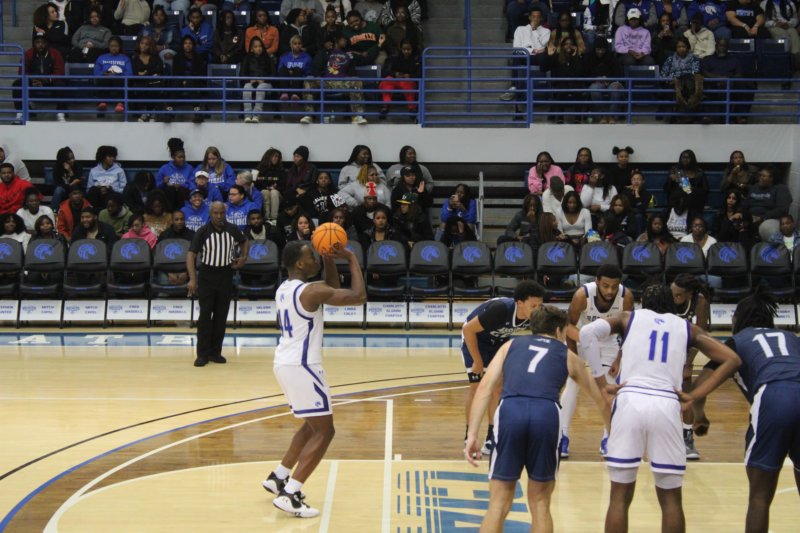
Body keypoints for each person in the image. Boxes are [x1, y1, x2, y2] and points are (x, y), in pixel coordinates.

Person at [578, 284, 740, 533]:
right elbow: (732, 359)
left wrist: (601, 383)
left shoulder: (627, 318)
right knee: (671, 499)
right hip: (666, 403)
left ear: (643, 302)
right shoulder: (687, 328)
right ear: (672, 305)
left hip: (630, 400)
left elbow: (587, 333)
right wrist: (694, 395)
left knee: (619, 496)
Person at [464, 306, 611, 533]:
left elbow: (484, 388)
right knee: (540, 503)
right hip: (546, 413)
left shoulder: (509, 346)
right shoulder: (569, 356)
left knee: (498, 503)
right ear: (559, 331)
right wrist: (614, 435)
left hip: (511, 411)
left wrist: (472, 434)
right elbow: (601, 400)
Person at [264, 240, 366, 518]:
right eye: (312, 255)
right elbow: (358, 296)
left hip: (284, 363)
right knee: (325, 431)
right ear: (299, 263)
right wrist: (351, 259)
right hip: (303, 366)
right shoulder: (310, 291)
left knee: (312, 425)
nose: (316, 259)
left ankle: (279, 476)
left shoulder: (285, 288)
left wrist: (329, 258)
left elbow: (330, 287)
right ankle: (291, 493)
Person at [691, 288, 800, 533]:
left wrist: (700, 417)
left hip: (774, 395)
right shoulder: (792, 337)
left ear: (737, 319)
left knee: (760, 497)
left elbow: (701, 385)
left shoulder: (737, 341)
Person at [460, 282, 545, 455]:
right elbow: (468, 330)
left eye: (540, 305)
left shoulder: (536, 315)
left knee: (498, 388)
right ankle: (469, 436)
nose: (537, 310)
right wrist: (477, 360)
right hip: (475, 339)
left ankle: (491, 436)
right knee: (477, 388)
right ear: (520, 303)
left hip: (499, 341)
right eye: (533, 306)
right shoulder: (500, 310)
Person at [560, 264, 634, 458]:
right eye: (605, 286)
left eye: (614, 287)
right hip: (581, 337)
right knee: (572, 383)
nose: (610, 291)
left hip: (609, 341)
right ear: (597, 282)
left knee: (610, 385)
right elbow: (568, 326)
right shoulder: (582, 295)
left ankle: (609, 436)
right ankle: (562, 435)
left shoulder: (626, 296)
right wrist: (573, 358)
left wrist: (619, 358)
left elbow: (628, 331)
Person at [187, 202, 249, 367]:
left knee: (221, 316)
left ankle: (215, 352)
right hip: (207, 276)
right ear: (210, 213)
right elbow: (191, 255)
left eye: (222, 213)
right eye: (216, 213)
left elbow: (244, 242)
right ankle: (202, 354)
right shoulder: (202, 231)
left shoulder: (232, 229)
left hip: (225, 275)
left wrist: (243, 258)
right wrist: (193, 279)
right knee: (205, 316)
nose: (219, 216)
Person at [670, 273, 711, 461]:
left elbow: (700, 336)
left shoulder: (700, 302)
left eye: (679, 295)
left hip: (687, 350)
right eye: (673, 293)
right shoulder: (667, 298)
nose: (674, 297)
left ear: (690, 294)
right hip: (665, 349)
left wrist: (688, 362)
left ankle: (687, 438)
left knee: (686, 391)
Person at [300, 35, 368, 125]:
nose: (345, 41)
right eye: (343, 39)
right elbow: (315, 67)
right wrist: (317, 77)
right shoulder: (326, 52)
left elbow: (356, 67)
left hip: (342, 82)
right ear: (337, 41)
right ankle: (309, 115)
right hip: (325, 82)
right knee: (308, 80)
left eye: (346, 40)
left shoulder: (349, 54)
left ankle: (357, 116)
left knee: (357, 81)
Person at [13, 33, 66, 124]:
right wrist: (32, 79)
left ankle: (60, 113)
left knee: (61, 85)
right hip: (33, 81)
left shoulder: (55, 53)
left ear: (46, 43)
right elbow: (22, 71)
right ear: (34, 43)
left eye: (43, 42)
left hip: (50, 82)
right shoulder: (28, 53)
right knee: (17, 84)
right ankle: (20, 113)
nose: (40, 45)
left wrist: (46, 80)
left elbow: (60, 71)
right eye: (37, 42)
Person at [500, 8, 550, 101]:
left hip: (539, 58)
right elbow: (516, 47)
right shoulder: (520, 29)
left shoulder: (546, 31)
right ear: (529, 17)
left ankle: (545, 89)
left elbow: (542, 46)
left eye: (538, 17)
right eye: (533, 16)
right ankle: (514, 87)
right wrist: (532, 50)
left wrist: (534, 30)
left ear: (541, 18)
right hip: (524, 56)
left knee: (545, 55)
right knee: (516, 54)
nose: (535, 19)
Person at [661, 36, 703, 122]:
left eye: (683, 46)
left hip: (689, 83)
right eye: (679, 47)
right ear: (676, 48)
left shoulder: (694, 59)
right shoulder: (670, 59)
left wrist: (679, 76)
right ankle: (677, 116)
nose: (681, 49)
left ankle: (688, 116)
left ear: (688, 47)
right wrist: (674, 79)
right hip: (674, 83)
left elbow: (695, 72)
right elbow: (664, 74)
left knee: (688, 84)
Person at [168, 35, 208, 124]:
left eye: (190, 43)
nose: (188, 45)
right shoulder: (177, 57)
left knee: (191, 84)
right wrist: (183, 80)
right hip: (180, 81)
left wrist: (188, 80)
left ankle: (197, 114)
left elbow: (201, 73)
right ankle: (169, 112)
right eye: (185, 43)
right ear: (182, 45)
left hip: (195, 81)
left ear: (193, 45)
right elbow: (175, 72)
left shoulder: (198, 57)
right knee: (175, 84)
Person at [584, 39, 625, 124]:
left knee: (616, 89)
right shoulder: (589, 57)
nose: (600, 52)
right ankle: (602, 115)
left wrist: (610, 79)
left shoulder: (612, 57)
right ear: (594, 49)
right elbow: (585, 74)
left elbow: (618, 73)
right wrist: (597, 78)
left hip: (611, 81)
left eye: (603, 49)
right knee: (594, 89)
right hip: (596, 82)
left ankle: (611, 115)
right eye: (598, 49)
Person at [378, 39, 420, 120]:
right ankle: (385, 107)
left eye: (408, 49)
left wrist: (410, 76)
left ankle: (412, 108)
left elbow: (419, 73)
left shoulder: (416, 59)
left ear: (412, 49)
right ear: (401, 49)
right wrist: (395, 74)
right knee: (387, 80)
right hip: (395, 79)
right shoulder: (393, 57)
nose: (406, 51)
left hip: (408, 81)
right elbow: (385, 72)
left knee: (408, 83)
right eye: (404, 49)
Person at [748, 167, 792, 241]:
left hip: (770, 218)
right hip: (751, 217)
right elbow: (746, 203)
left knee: (768, 229)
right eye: (760, 175)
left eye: (763, 176)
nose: (760, 178)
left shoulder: (781, 189)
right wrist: (740, 213)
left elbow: (782, 209)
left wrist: (762, 218)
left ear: (772, 178)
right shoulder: (754, 187)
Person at [93, 36, 133, 115]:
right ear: (108, 46)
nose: (114, 48)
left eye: (116, 46)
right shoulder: (101, 58)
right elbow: (96, 72)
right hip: (105, 79)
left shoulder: (125, 58)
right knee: (101, 80)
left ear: (120, 46)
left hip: (119, 80)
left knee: (121, 80)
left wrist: (118, 74)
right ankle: (102, 103)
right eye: (112, 46)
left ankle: (120, 103)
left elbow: (129, 73)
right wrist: (104, 73)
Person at [131, 35, 166, 123]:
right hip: (141, 82)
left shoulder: (155, 57)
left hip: (154, 82)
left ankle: (152, 112)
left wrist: (146, 73)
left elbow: (160, 68)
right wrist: (151, 73)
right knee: (141, 87)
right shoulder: (135, 58)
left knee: (154, 86)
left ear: (150, 46)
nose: (143, 45)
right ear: (139, 44)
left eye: (146, 44)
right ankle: (145, 112)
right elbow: (135, 73)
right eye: (142, 43)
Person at [240, 37, 274, 123]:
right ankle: (247, 116)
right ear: (251, 49)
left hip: (266, 84)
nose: (258, 48)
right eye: (256, 46)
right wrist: (249, 80)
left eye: (260, 46)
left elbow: (273, 75)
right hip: (251, 82)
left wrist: (264, 80)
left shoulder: (268, 59)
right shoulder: (246, 59)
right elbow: (242, 75)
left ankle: (256, 115)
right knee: (246, 88)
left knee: (260, 88)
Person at [665, 149, 708, 214]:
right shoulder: (675, 170)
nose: (685, 160)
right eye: (683, 157)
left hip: (694, 199)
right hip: (678, 200)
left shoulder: (699, 172)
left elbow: (705, 189)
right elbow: (667, 188)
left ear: (692, 159)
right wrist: (670, 179)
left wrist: (689, 188)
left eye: (688, 157)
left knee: (692, 193)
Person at [86, 146, 127, 212]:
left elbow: (124, 189)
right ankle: (95, 212)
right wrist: (98, 188)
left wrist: (112, 188)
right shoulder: (94, 171)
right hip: (97, 196)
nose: (112, 158)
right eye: (110, 156)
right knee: (94, 190)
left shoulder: (119, 170)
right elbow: (89, 190)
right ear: (103, 157)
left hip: (113, 195)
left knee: (108, 192)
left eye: (113, 157)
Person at [157, 138, 194, 210]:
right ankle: (169, 213)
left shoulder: (189, 168)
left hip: (183, 195)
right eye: (179, 157)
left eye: (183, 157)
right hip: (169, 197)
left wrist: (181, 185)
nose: (182, 159)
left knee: (180, 190)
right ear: (173, 157)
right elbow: (158, 186)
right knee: (170, 189)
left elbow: (192, 185)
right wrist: (164, 182)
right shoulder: (164, 168)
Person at [277, 35, 313, 102]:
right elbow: (280, 70)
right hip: (286, 81)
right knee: (283, 70)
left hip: (300, 82)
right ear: (291, 45)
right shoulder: (284, 57)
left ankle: (295, 94)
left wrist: (295, 72)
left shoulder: (307, 57)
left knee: (297, 69)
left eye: (299, 43)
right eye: (295, 44)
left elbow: (308, 72)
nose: (297, 45)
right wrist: (289, 72)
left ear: (302, 45)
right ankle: (284, 93)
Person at [765, 0, 800, 66]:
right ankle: (785, 60)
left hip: (787, 25)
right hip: (773, 27)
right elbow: (764, 21)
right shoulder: (765, 3)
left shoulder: (790, 3)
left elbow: (795, 19)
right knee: (784, 34)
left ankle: (796, 59)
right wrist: (775, 24)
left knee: (794, 32)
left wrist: (788, 23)